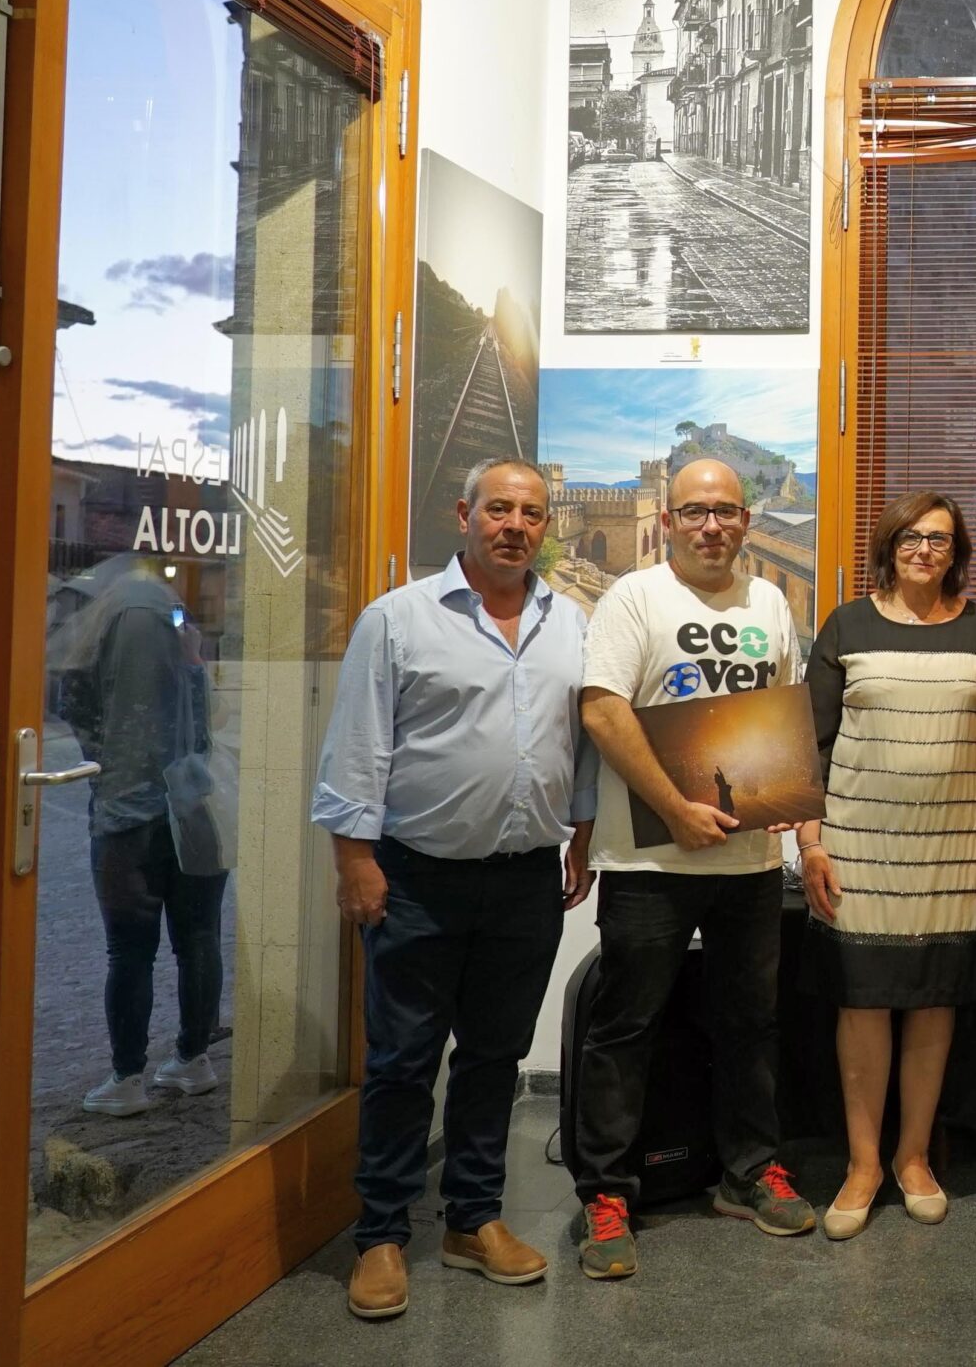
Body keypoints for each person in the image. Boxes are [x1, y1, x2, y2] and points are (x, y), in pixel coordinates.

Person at [313, 458, 598, 1320]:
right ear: (463, 514)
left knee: (493, 1057)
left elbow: (581, 742)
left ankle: (472, 1221)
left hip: (524, 878)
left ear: (547, 526)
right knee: (402, 1062)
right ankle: (381, 1234)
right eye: (499, 509)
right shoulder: (398, 619)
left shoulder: (568, 622)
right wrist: (355, 860)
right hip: (416, 877)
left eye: (532, 513)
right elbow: (358, 745)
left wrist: (582, 837)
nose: (515, 526)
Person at [569, 459, 817, 1277]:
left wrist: (790, 800)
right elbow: (603, 710)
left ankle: (749, 1173)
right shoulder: (634, 598)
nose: (712, 526)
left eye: (727, 511)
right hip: (649, 860)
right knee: (624, 1026)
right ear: (670, 520)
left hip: (749, 861)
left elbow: (783, 716)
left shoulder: (769, 604)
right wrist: (676, 809)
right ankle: (606, 1195)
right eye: (695, 512)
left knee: (751, 1024)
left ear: (747, 520)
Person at [800, 492, 976, 1239]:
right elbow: (811, 746)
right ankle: (863, 1165)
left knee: (935, 999)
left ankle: (915, 1157)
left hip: (957, 849)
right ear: (888, 545)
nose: (925, 549)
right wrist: (810, 843)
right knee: (862, 1000)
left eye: (939, 538)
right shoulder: (846, 625)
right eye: (911, 537)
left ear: (956, 552)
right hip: (857, 846)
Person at [48, 555, 227, 1119]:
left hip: (131, 812)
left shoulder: (115, 613)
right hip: (192, 802)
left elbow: (85, 706)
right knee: (198, 939)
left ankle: (127, 1077)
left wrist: (105, 773)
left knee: (129, 950)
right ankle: (193, 1058)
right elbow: (202, 708)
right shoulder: (172, 614)